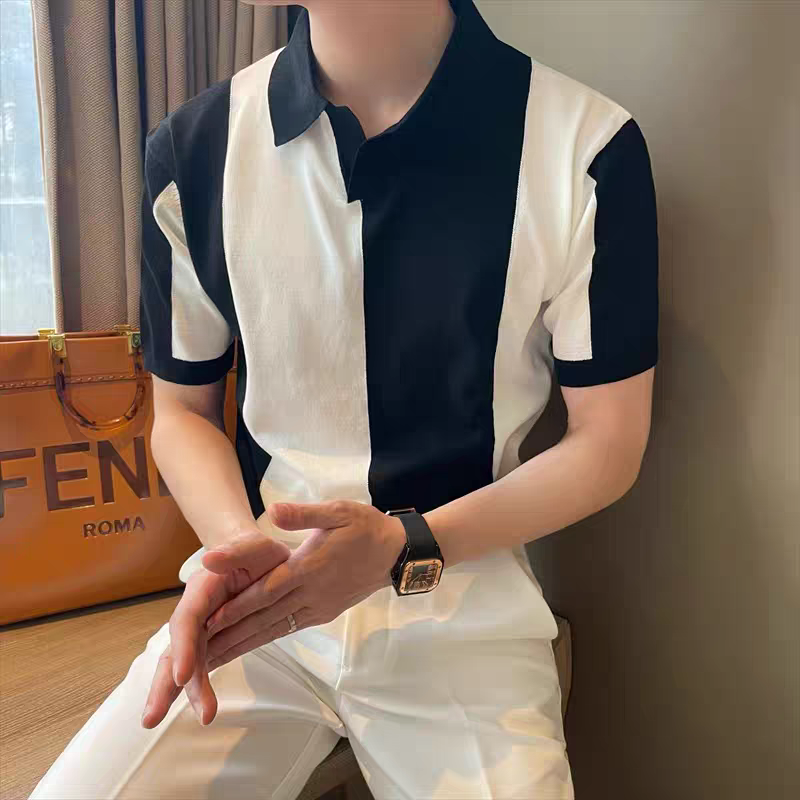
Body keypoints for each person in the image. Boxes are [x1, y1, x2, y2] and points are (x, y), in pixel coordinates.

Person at [30, 0, 658, 797]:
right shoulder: (196, 147)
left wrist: (401, 545)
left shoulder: (584, 146)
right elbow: (182, 413)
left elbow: (608, 442)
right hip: (259, 607)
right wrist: (239, 553)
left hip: (460, 606)